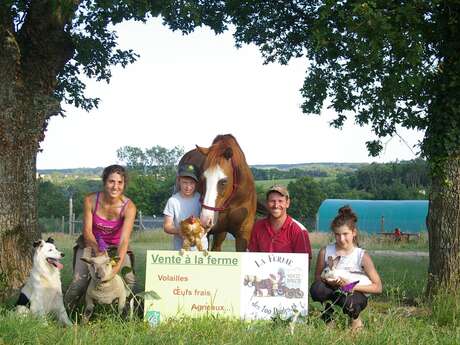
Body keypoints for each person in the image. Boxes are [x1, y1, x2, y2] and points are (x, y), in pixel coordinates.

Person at [64, 165, 137, 310]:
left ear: (124, 184)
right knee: (79, 283)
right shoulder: (90, 200)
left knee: (130, 281)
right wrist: (98, 252)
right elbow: (87, 232)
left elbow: (124, 241)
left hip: (116, 247)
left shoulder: (129, 207)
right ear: (104, 182)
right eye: (111, 181)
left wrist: (115, 268)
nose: (115, 186)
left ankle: (129, 312)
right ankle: (66, 312)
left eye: (120, 182)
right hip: (90, 244)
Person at [310, 206, 382, 331]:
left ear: (354, 232)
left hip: (353, 293)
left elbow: (378, 287)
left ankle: (355, 320)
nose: (341, 239)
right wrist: (328, 282)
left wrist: (350, 286)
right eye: (337, 235)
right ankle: (328, 319)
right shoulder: (325, 251)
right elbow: (317, 278)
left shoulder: (361, 255)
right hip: (332, 290)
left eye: (345, 234)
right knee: (317, 289)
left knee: (349, 302)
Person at [247, 185, 312, 258]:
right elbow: (251, 258)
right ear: (267, 203)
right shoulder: (257, 227)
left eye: (280, 201)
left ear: (287, 203)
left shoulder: (299, 231)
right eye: (272, 201)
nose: (276, 205)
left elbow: (304, 263)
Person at [163, 163, 208, 251]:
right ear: (179, 180)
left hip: (201, 249)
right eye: (185, 182)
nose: (188, 187)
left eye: (191, 183)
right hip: (180, 250)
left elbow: (206, 224)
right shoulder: (172, 201)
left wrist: (206, 228)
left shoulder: (201, 199)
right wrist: (180, 231)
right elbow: (167, 226)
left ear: (196, 183)